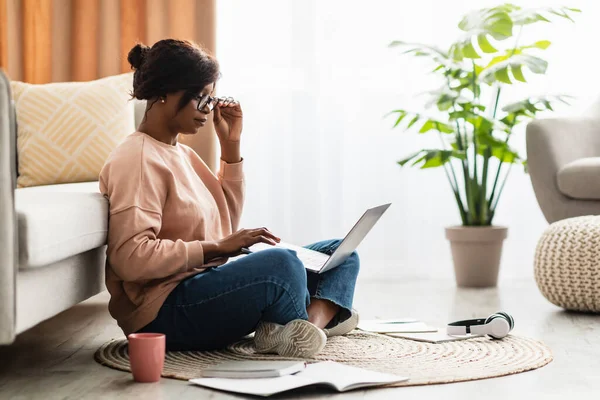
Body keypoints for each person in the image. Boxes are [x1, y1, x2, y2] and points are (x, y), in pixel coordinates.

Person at [99, 39, 360, 357]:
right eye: (201, 99)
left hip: (202, 286)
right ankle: (318, 316)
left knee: (340, 253)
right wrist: (216, 248)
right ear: (165, 92)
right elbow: (131, 259)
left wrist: (231, 146)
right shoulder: (137, 159)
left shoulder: (183, 154)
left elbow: (225, 223)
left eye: (211, 100)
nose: (207, 112)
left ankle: (309, 328)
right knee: (282, 264)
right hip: (162, 313)